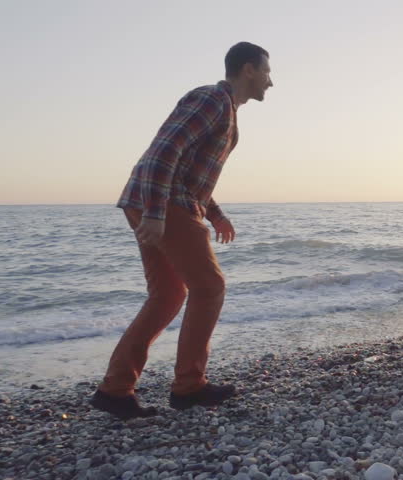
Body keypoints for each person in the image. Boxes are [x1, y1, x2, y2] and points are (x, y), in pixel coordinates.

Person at [90, 42, 273, 419]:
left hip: (156, 200)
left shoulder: (226, 109)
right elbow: (163, 153)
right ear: (249, 69)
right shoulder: (212, 100)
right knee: (209, 287)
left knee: (168, 295)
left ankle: (115, 390)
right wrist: (156, 213)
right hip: (163, 202)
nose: (271, 82)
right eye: (267, 72)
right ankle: (189, 386)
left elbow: (192, 172)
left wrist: (215, 213)